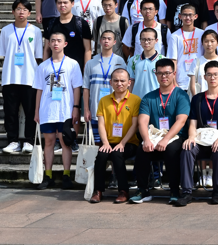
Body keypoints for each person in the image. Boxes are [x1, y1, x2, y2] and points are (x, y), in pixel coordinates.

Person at [134, 58, 191, 204]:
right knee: (142, 149)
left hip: (175, 136)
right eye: (160, 73)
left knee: (171, 149)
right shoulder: (148, 97)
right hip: (155, 136)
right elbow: (142, 121)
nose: (163, 76)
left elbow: (181, 121)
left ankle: (174, 190)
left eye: (167, 73)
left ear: (174, 74)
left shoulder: (181, 95)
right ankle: (143, 190)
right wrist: (146, 140)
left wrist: (166, 140)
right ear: (156, 74)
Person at [33, 31, 84, 190]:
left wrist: (76, 108)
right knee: (48, 142)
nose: (55, 43)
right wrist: (36, 111)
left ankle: (66, 175)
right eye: (53, 40)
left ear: (65, 44)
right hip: (47, 110)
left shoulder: (72, 64)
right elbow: (39, 90)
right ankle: (48, 175)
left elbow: (77, 88)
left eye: (59, 40)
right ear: (48, 44)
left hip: (65, 110)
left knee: (65, 142)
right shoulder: (43, 66)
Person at [183, 60, 218, 204]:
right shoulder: (197, 99)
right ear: (204, 77)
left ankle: (217, 191)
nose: (212, 77)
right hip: (201, 139)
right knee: (187, 148)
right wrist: (191, 137)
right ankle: (186, 192)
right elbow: (192, 123)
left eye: (215, 74)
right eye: (209, 75)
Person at [0, 0, 43, 155]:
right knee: (10, 111)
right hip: (10, 77)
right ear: (13, 12)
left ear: (29, 13)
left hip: (29, 77)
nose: (21, 12)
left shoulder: (35, 31)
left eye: (24, 9)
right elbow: (4, 54)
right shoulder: (6, 31)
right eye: (18, 9)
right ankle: (12, 140)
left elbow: (38, 56)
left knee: (30, 111)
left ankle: (29, 141)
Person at [89, 67, 139, 203]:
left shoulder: (135, 100)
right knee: (101, 155)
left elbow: (135, 125)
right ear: (110, 82)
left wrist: (122, 143)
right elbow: (101, 124)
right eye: (116, 81)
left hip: (129, 142)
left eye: (123, 81)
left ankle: (123, 191)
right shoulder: (104, 100)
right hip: (109, 141)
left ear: (129, 82)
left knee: (117, 154)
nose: (119, 83)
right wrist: (105, 143)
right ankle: (98, 191)